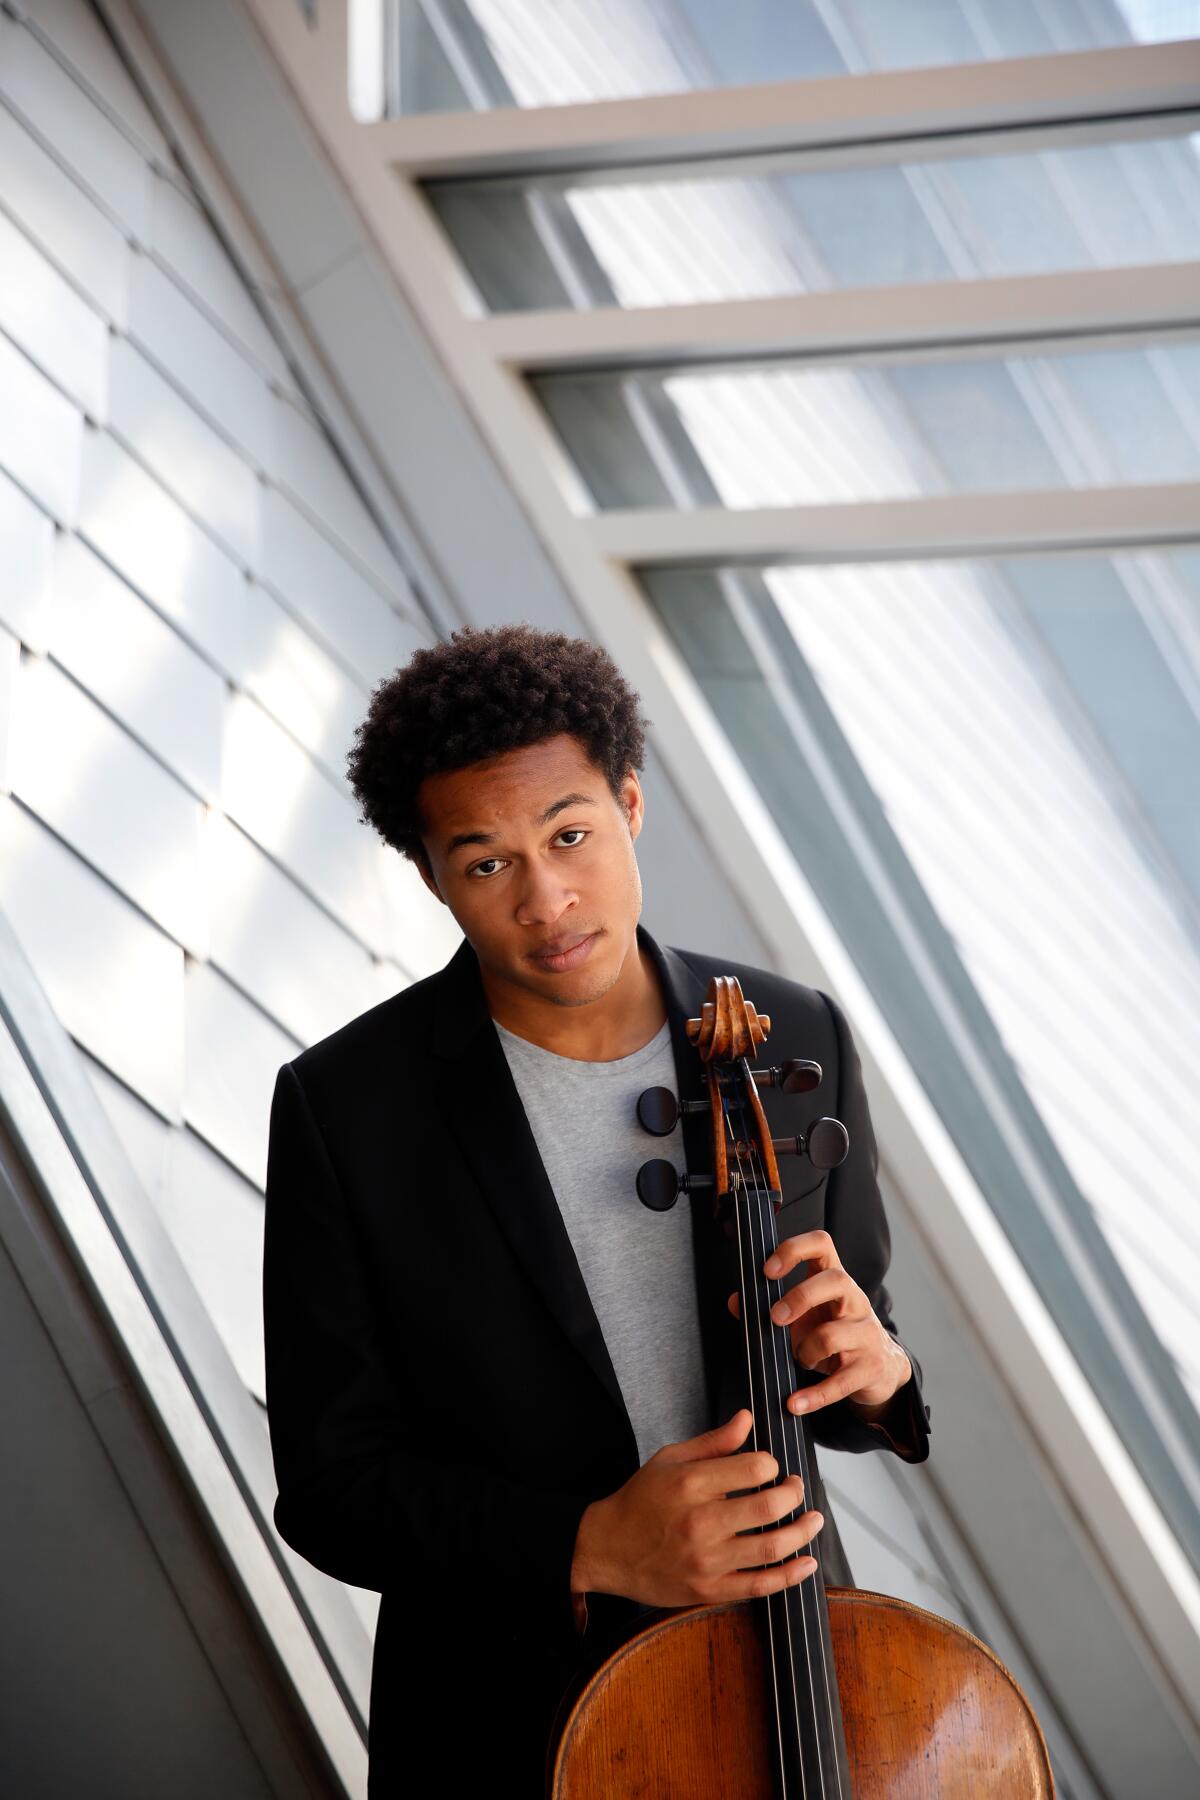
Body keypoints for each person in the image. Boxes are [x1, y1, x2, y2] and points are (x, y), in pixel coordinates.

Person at [262, 624, 930, 1795]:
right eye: (487, 863)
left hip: (784, 1683)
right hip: (504, 1717)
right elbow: (333, 1487)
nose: (548, 898)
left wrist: (880, 1374)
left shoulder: (794, 1031)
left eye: (571, 834)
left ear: (628, 802)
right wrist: (588, 1542)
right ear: (431, 875)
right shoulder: (346, 1107)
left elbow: (846, 1358)